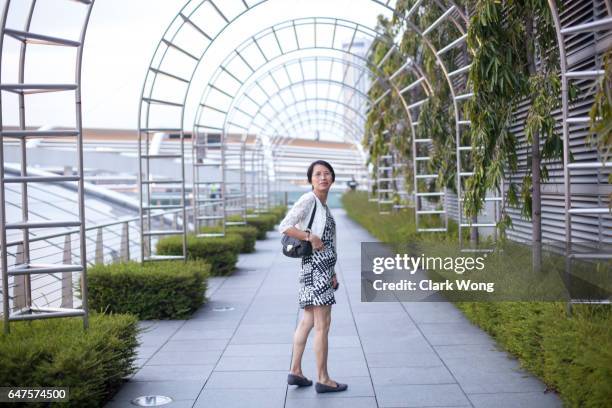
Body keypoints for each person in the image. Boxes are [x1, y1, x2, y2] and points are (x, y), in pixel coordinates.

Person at [278, 160, 348, 394]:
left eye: (327, 173)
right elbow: (285, 226)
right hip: (315, 268)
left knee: (307, 321)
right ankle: (323, 378)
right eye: (317, 174)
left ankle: (295, 371)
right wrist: (310, 236)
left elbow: (329, 244)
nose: (323, 178)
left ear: (332, 178)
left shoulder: (323, 205)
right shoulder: (309, 199)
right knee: (322, 325)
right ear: (311, 180)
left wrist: (333, 272)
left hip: (320, 269)